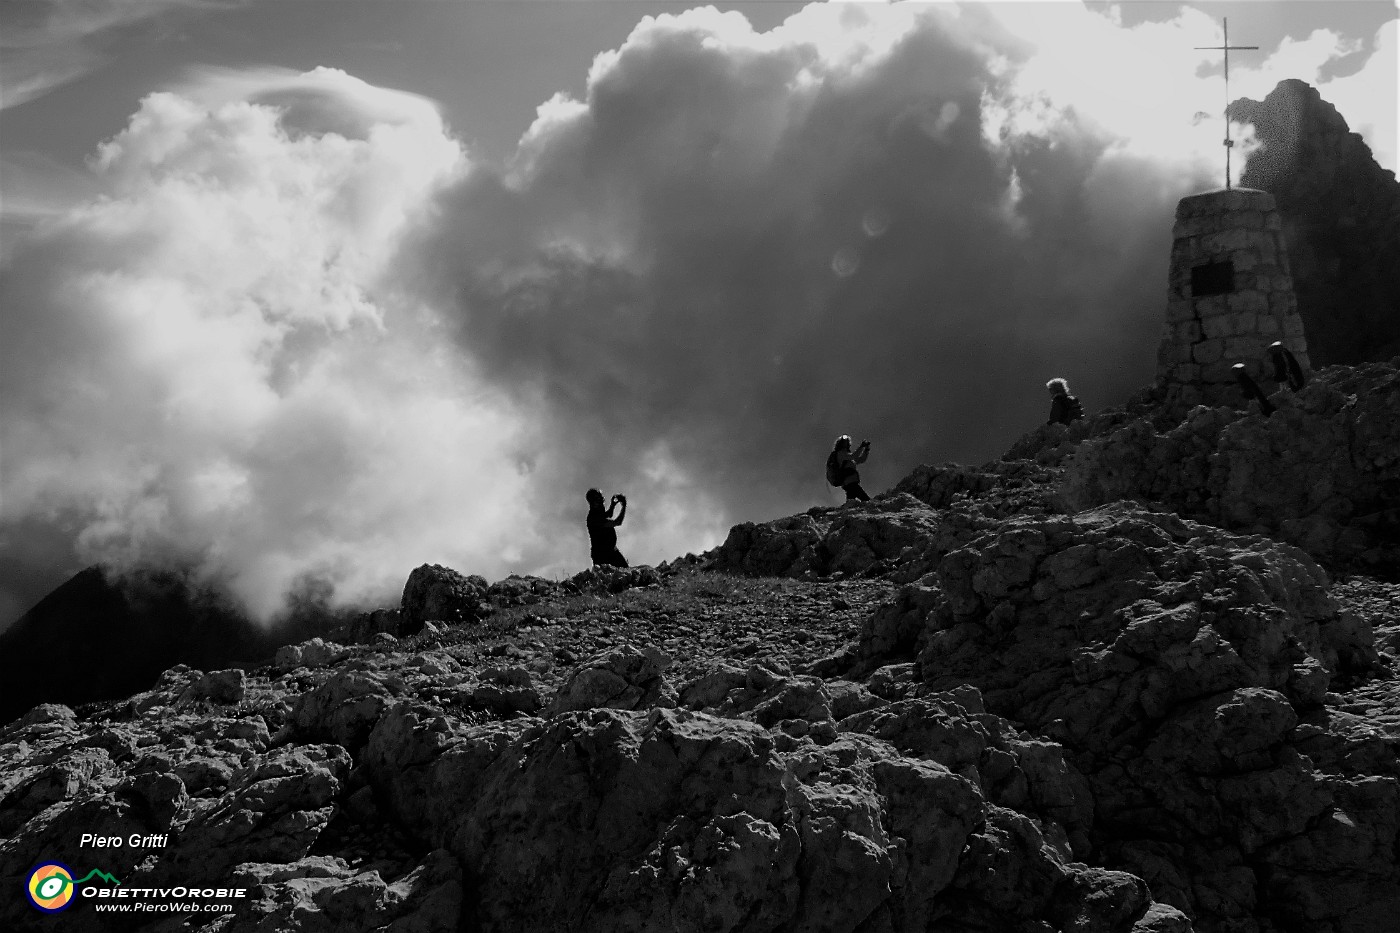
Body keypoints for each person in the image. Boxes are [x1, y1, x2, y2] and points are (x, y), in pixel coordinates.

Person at [585, 488, 628, 568]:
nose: (602, 500)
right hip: (602, 555)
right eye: (599, 498)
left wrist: (612, 505)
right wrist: (624, 506)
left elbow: (608, 515)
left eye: (601, 498)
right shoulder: (593, 518)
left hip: (612, 551)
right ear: (594, 502)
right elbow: (617, 522)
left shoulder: (598, 510)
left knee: (625, 572)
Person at [826, 435, 872, 502]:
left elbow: (861, 459)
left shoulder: (847, 456)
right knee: (866, 500)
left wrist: (866, 450)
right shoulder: (840, 454)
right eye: (845, 442)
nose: (847, 443)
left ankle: (848, 510)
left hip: (850, 483)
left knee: (851, 502)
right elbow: (854, 456)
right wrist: (861, 447)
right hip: (850, 483)